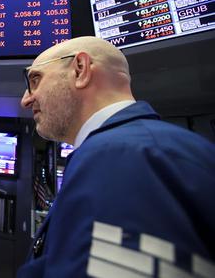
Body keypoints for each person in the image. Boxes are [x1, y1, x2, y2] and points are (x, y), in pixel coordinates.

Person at [18, 37, 215, 277]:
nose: (26, 99)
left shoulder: (122, 157)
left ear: (80, 70)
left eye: (35, 80)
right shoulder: (140, 148)